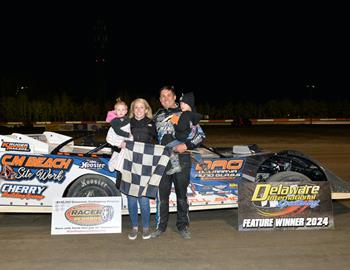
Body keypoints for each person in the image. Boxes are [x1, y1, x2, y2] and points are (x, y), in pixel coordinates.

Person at [151, 85, 204, 240]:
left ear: (174, 97)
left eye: (168, 95)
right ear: (160, 100)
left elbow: (200, 135)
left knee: (181, 195)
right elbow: (148, 134)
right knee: (162, 196)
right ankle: (160, 227)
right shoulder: (157, 115)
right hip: (162, 160)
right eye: (162, 96)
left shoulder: (185, 113)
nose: (165, 98)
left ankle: (183, 226)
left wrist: (185, 145)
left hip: (182, 158)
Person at [125, 98, 157, 240]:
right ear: (132, 110)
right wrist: (118, 144)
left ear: (146, 109)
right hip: (130, 166)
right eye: (136, 107)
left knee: (143, 200)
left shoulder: (152, 124)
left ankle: (145, 227)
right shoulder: (126, 123)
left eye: (141, 107)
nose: (138, 110)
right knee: (131, 199)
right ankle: (134, 227)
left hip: (146, 166)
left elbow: (160, 143)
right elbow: (112, 138)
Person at [165, 92, 205, 175]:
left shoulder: (185, 115)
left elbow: (181, 127)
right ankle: (202, 164)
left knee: (168, 147)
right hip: (190, 139)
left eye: (184, 103)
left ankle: (175, 166)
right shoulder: (192, 115)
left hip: (183, 139)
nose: (181, 105)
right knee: (194, 150)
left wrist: (174, 121)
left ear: (189, 104)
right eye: (181, 103)